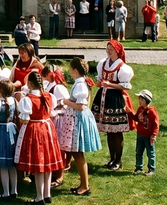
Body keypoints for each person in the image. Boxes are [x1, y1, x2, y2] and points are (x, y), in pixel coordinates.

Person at [14, 71, 64, 205]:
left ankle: (39, 196)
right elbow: (52, 112)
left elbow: (25, 120)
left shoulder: (27, 100)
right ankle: (47, 194)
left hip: (35, 130)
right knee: (46, 164)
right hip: (48, 128)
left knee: (39, 164)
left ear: (29, 84)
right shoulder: (49, 96)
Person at [58, 58, 101, 195]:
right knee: (77, 153)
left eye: (70, 69)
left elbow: (81, 106)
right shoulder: (80, 83)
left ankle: (85, 185)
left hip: (78, 121)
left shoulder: (80, 85)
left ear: (75, 70)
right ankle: (83, 184)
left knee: (78, 153)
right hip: (76, 119)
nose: (69, 72)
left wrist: (66, 101)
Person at [92, 40, 134, 170]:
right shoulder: (103, 63)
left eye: (111, 49)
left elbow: (125, 86)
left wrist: (110, 85)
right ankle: (112, 159)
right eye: (107, 48)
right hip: (103, 97)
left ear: (117, 51)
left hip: (115, 98)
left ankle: (118, 160)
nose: (108, 51)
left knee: (116, 131)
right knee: (109, 131)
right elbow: (100, 80)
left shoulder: (122, 67)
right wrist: (100, 83)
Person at [41, 64, 70, 188]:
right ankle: (53, 172)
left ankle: (59, 176)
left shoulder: (58, 88)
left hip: (59, 120)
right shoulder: (49, 86)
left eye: (45, 74)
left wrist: (56, 112)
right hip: (51, 119)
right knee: (52, 148)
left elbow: (66, 105)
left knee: (59, 148)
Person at [133, 89, 159, 176]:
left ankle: (151, 168)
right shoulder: (140, 109)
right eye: (139, 99)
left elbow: (156, 124)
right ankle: (138, 167)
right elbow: (136, 118)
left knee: (150, 153)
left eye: (142, 100)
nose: (139, 101)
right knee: (139, 151)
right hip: (140, 135)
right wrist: (129, 112)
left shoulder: (151, 112)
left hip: (148, 136)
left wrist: (154, 135)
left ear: (147, 101)